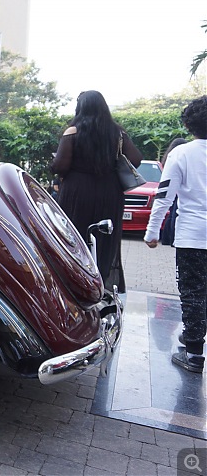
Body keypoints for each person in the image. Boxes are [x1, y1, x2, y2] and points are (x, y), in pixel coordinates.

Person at [51, 90, 142, 293]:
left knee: (75, 235)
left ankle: (76, 281)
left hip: (78, 192)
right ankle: (101, 281)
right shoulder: (117, 132)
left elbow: (60, 166)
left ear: (80, 107)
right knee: (105, 237)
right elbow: (136, 159)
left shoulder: (73, 132)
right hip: (109, 192)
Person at [144, 96, 207, 373]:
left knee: (193, 292)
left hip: (193, 236)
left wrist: (152, 231)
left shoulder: (181, 154)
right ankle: (192, 334)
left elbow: (163, 197)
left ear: (187, 124)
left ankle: (194, 353)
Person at [159, 137, 188, 246]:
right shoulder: (180, 156)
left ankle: (167, 238)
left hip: (169, 187)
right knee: (174, 214)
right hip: (179, 188)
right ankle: (172, 238)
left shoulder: (168, 158)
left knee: (171, 214)